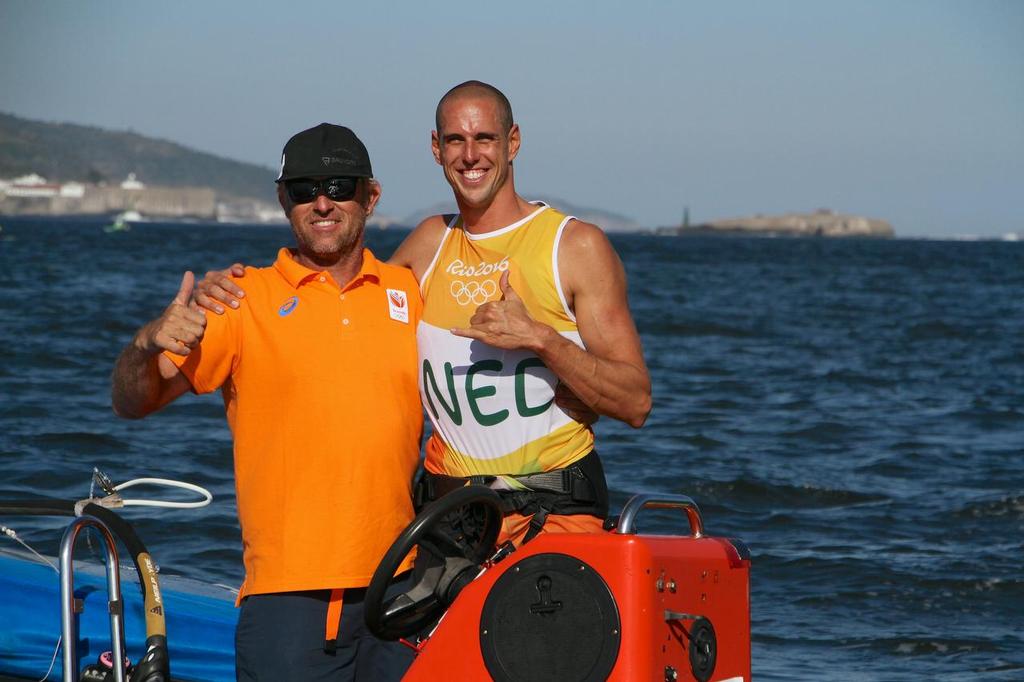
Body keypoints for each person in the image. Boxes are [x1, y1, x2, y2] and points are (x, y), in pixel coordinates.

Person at [197, 80, 652, 547]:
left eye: (485, 139)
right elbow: (338, 302)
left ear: (512, 142)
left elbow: (635, 403)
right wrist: (239, 291)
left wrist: (543, 340)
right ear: (437, 149)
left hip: (552, 511)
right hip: (451, 518)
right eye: (455, 140)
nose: (470, 155)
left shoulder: (574, 246)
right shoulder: (429, 243)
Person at [111, 123, 421, 681]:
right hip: (288, 598)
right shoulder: (239, 299)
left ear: (370, 196)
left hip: (402, 588)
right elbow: (134, 401)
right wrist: (146, 340)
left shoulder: (409, 293)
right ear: (284, 201)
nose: (322, 203)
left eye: (339, 185)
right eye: (304, 190)